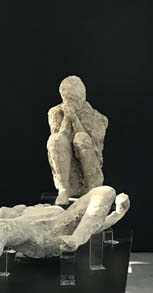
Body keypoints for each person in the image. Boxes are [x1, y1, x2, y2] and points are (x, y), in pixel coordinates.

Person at [0, 186, 130, 274]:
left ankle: (76, 240)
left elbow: (95, 223)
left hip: (60, 230)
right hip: (30, 234)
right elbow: (3, 221)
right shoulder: (19, 213)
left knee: (106, 191)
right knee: (1, 226)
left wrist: (119, 212)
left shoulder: (58, 211)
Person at [46, 76, 108, 205]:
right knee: (55, 140)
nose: (71, 103)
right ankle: (64, 189)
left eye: (74, 99)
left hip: (91, 170)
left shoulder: (97, 118)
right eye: (68, 99)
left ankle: (91, 189)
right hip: (69, 173)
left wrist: (75, 119)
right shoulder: (56, 112)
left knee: (81, 138)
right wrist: (67, 118)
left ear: (82, 97)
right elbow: (59, 140)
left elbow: (93, 146)